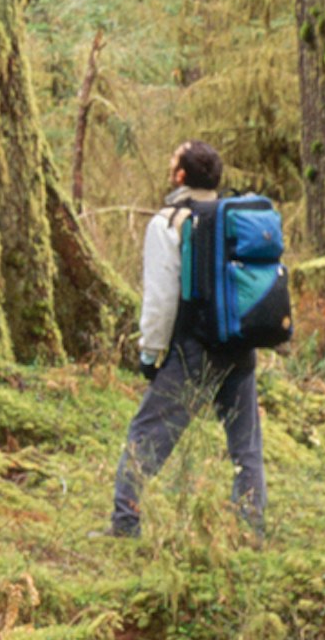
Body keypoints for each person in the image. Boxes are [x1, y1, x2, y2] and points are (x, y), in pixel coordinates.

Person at [111, 139, 268, 539]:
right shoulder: (237, 217)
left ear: (181, 175)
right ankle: (251, 528)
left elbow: (161, 300)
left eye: (172, 157)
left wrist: (150, 355)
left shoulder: (170, 223)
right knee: (245, 447)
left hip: (192, 350)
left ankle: (125, 523)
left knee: (146, 435)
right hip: (240, 347)